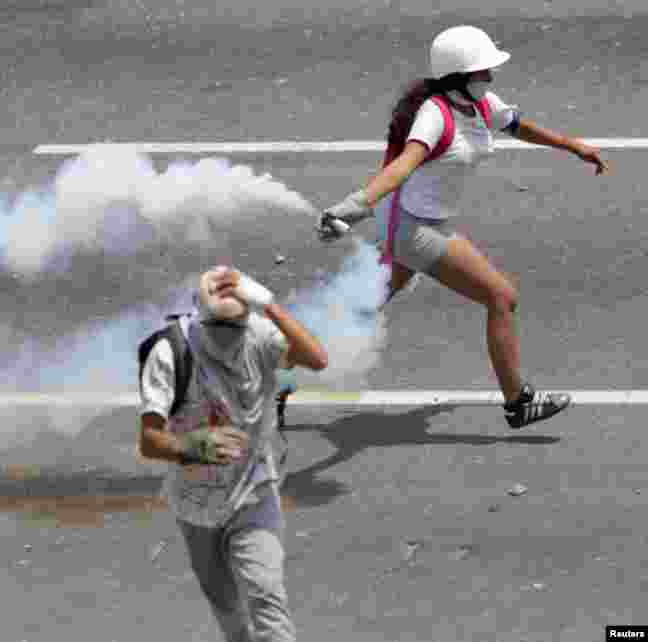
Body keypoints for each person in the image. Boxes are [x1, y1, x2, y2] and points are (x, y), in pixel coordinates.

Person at [316, 24, 611, 429]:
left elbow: (516, 125)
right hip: (413, 228)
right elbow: (403, 165)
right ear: (458, 76)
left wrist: (573, 146)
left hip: (420, 221)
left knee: (364, 306)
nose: (490, 77)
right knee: (501, 297)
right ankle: (519, 402)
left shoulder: (480, 104)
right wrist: (354, 206)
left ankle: (279, 374)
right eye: (482, 72)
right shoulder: (434, 116)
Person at [139, 266, 328, 641]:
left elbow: (317, 358)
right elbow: (149, 440)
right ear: (198, 313)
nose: (228, 339)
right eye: (218, 330)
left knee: (267, 598)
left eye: (236, 328)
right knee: (229, 612)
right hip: (195, 504)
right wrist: (194, 445)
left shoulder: (259, 334)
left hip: (253, 493)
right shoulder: (169, 352)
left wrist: (270, 305)